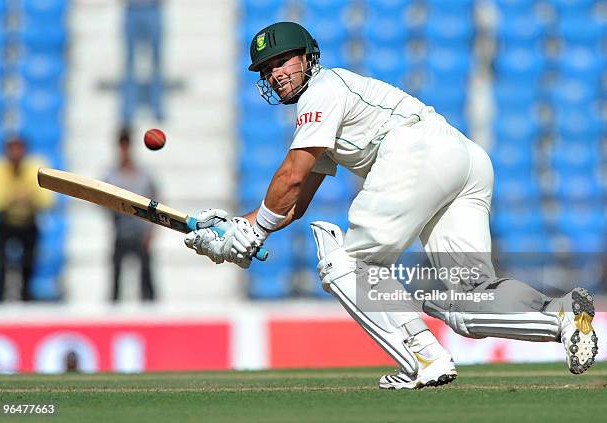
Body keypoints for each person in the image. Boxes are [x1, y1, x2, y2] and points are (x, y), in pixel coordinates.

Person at [184, 22, 598, 388]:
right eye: (267, 69)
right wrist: (235, 229)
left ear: (309, 57)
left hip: (417, 152)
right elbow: (295, 202)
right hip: (463, 158)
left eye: (283, 61)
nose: (276, 74)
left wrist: (252, 233)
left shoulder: (322, 90)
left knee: (344, 264)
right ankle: (561, 316)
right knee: (468, 300)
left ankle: (424, 359)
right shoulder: (330, 104)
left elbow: (290, 174)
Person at [0, 137, 54, 301]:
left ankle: (26, 296)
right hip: (7, 222)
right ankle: (0, 297)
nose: (15, 153)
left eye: (18, 148)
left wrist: (30, 198)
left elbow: (47, 200)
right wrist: (13, 197)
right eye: (11, 149)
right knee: (2, 262)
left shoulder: (34, 168)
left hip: (29, 222)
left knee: (28, 262)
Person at [105, 127, 157, 302]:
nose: (124, 149)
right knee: (116, 278)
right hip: (121, 232)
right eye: (122, 145)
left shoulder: (143, 175)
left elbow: (155, 202)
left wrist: (151, 231)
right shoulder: (111, 175)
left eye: (127, 144)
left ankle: (151, 313)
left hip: (140, 232)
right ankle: (112, 313)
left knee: (147, 278)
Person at [121, 0, 164, 124]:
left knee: (156, 62)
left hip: (153, 8)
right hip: (131, 9)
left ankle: (157, 107)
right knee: (129, 63)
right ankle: (128, 109)